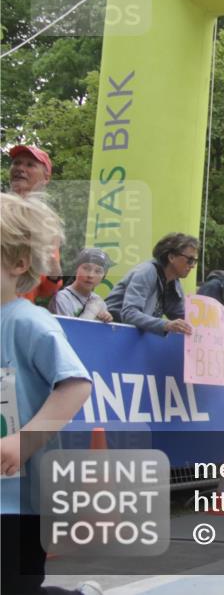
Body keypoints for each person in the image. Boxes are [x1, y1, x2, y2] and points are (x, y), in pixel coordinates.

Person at [0, 193, 100, 595]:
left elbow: (76, 385)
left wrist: (25, 441)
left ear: (17, 263)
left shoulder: (28, 322)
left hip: (18, 504)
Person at [104, 233, 198, 336]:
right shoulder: (147, 271)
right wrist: (166, 325)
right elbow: (129, 314)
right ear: (171, 257)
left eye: (195, 261)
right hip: (109, 332)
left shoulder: (174, 282)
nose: (193, 265)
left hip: (129, 337)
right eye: (190, 260)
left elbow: (184, 317)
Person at [8, 145, 61, 305]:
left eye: (30, 165)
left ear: (46, 178)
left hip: (15, 314)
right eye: (16, 163)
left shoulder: (48, 223)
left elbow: (46, 289)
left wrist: (54, 269)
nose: (20, 168)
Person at [49, 248, 113, 322]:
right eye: (86, 268)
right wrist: (91, 312)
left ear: (103, 277)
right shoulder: (62, 299)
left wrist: (106, 320)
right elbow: (68, 332)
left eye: (98, 271)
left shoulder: (99, 301)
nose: (91, 275)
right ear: (76, 269)